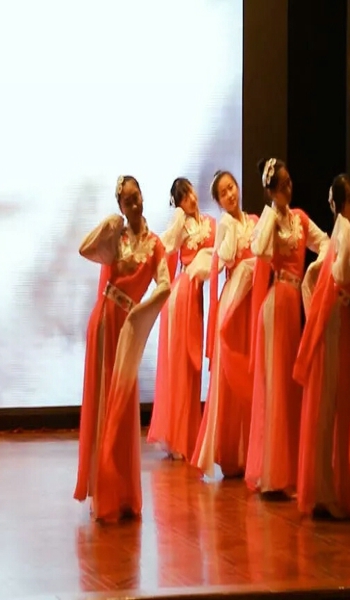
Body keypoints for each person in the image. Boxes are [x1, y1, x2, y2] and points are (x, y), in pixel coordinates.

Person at [74, 175, 171, 522]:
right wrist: (109, 224)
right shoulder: (117, 237)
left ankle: (125, 492)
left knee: (125, 404)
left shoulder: (155, 244)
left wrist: (142, 313)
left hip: (129, 325)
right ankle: (105, 492)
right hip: (105, 322)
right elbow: (86, 249)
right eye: (126, 200)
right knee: (105, 400)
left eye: (136, 196)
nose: (134, 203)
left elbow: (165, 284)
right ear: (120, 205)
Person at [293, 175, 350, 519]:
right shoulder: (343, 232)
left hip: (347, 320)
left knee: (344, 402)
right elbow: (339, 274)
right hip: (335, 322)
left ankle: (341, 486)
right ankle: (323, 490)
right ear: (341, 205)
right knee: (329, 402)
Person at [245, 158, 329, 496]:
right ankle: (273, 473)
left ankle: (289, 468)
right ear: (271, 191)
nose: (288, 190)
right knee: (276, 383)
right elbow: (259, 249)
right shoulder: (271, 220)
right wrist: (270, 210)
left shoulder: (300, 219)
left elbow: (325, 243)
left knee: (290, 385)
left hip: (294, 302)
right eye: (281, 187)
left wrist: (314, 269)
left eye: (289, 183)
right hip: (277, 302)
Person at [191, 171, 258, 479]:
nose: (230, 195)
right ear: (218, 201)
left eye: (231, 188)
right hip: (234, 298)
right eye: (223, 193)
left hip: (252, 299)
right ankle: (230, 452)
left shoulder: (254, 220)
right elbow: (228, 258)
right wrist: (229, 226)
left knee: (251, 369)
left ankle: (251, 451)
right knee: (230, 375)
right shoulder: (225, 225)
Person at [148, 177, 215, 461]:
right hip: (181, 293)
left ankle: (188, 435)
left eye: (190, 192)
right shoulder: (182, 224)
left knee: (192, 365)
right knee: (179, 363)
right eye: (183, 197)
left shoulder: (209, 222)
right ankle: (177, 436)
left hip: (195, 295)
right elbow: (166, 244)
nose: (191, 199)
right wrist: (177, 216)